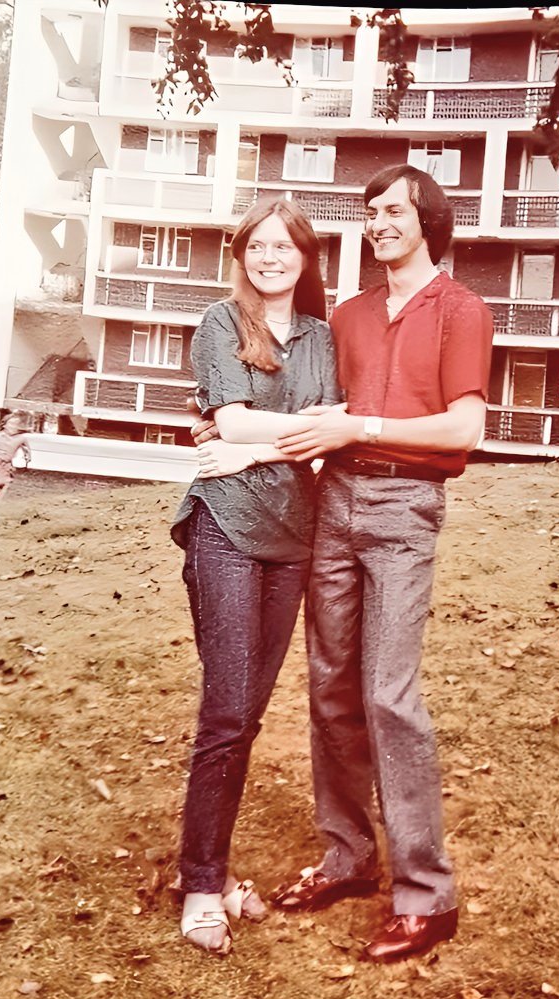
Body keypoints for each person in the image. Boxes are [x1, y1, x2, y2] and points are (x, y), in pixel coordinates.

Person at [192, 165, 494, 963]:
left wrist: (356, 430)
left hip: (404, 509)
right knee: (329, 690)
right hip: (332, 507)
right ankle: (349, 857)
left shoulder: (463, 310)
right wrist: (225, 432)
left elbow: (462, 431)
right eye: (370, 213)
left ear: (427, 218)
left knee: (387, 695)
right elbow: (299, 405)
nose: (377, 223)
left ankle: (426, 896)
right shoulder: (347, 316)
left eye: (392, 211)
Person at [170, 197, 340, 955]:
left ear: (305, 259)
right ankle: (202, 886)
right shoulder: (219, 323)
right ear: (242, 255)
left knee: (248, 715)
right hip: (228, 528)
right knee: (228, 714)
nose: (270, 258)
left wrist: (257, 444)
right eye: (257, 246)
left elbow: (328, 439)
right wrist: (252, 438)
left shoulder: (322, 338)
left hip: (294, 540)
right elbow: (233, 420)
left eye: (285, 247)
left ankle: (207, 869)